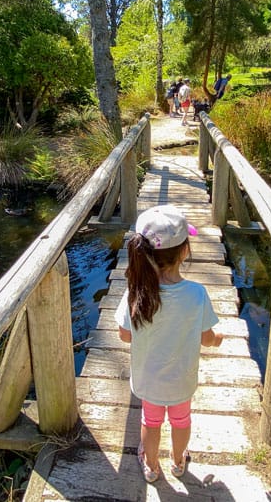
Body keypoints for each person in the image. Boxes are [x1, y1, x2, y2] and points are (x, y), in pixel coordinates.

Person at [115, 205, 223, 484]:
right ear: (185, 251)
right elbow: (206, 337)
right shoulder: (196, 294)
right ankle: (178, 461)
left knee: (150, 423)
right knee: (181, 420)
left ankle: (150, 465)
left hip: (149, 380)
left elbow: (125, 335)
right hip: (181, 381)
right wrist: (216, 340)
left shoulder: (134, 293)